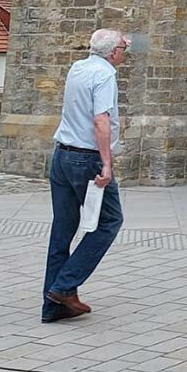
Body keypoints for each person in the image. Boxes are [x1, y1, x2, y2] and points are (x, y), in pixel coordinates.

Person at [42, 29, 128, 323]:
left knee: (63, 228)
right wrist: (107, 164)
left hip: (62, 154)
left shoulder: (78, 68)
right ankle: (64, 287)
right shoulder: (105, 75)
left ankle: (53, 304)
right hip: (87, 158)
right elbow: (100, 120)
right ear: (114, 53)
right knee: (109, 221)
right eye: (123, 48)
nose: (125, 53)